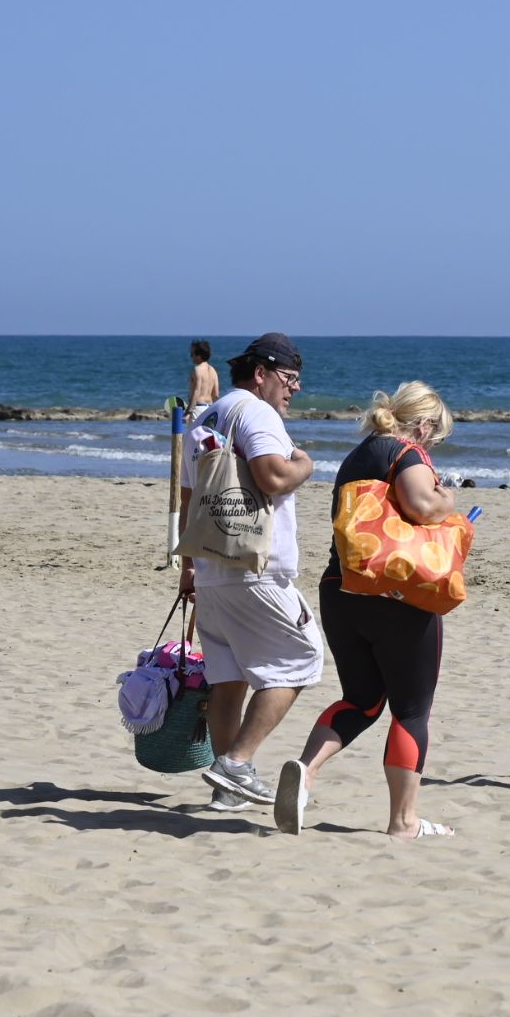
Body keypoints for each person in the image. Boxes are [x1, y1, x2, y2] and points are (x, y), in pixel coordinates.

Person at [274, 381, 458, 839]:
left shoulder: (358, 456)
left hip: (341, 591)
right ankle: (404, 822)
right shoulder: (405, 452)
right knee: (410, 711)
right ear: (423, 423)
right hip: (395, 595)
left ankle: (306, 771)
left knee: (362, 699)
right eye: (435, 435)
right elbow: (421, 505)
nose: (433, 443)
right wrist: (447, 500)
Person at [179, 333, 323, 810]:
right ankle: (237, 762)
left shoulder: (203, 417)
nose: (295, 388)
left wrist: (188, 570)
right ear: (260, 373)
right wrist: (305, 462)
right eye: (289, 378)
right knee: (303, 658)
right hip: (254, 568)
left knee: (229, 678)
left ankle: (227, 791)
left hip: (210, 567)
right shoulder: (258, 412)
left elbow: (187, 499)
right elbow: (274, 476)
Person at [185, 340, 220, 422]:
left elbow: (196, 391)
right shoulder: (213, 370)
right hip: (209, 408)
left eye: (192, 354)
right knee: (206, 434)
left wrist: (188, 411)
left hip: (198, 408)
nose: (191, 357)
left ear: (199, 355)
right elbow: (216, 394)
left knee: (193, 434)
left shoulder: (197, 370)